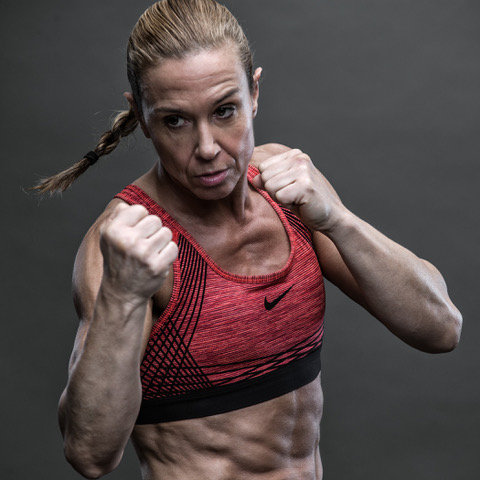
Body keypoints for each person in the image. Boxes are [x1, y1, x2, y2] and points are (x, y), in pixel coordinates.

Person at [34, 0, 462, 478]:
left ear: (253, 92)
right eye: (175, 120)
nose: (207, 148)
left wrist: (339, 221)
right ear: (143, 117)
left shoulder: (287, 188)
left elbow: (441, 329)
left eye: (224, 111)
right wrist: (121, 297)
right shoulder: (127, 243)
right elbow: (89, 454)